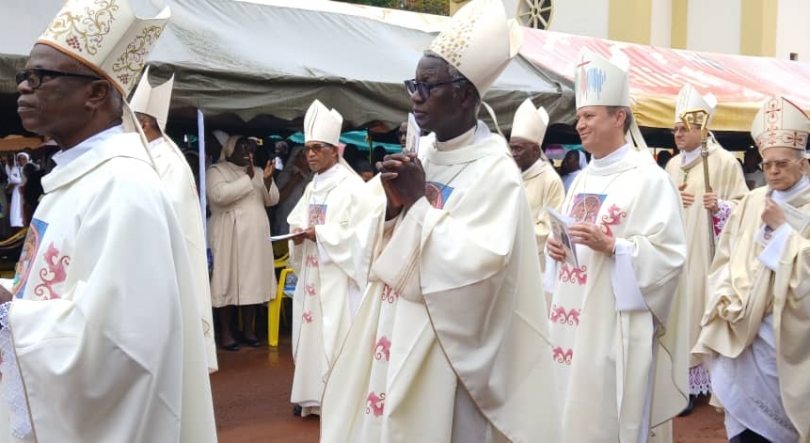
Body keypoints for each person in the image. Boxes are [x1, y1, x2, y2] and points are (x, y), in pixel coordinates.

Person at [321, 0, 561, 440]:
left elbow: (482, 268)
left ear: (466, 94)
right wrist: (392, 209)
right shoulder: (423, 155)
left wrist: (416, 206)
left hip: (446, 350)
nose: (415, 95)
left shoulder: (496, 172)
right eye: (414, 83)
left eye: (429, 86)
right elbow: (368, 242)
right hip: (394, 328)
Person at [1, 0, 217, 441]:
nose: (23, 88)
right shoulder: (73, 176)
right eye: (23, 76)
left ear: (96, 94)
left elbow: (124, 343)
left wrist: (10, 315)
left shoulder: (124, 187)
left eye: (40, 77)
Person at [545, 48, 688, 442]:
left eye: (589, 116)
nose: (579, 125)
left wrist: (615, 248)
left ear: (618, 117)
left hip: (613, 327)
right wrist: (555, 253)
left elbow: (670, 257)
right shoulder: (582, 180)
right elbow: (569, 242)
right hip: (569, 324)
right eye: (579, 117)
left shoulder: (649, 179)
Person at [693, 96, 810, 443]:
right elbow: (726, 257)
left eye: (781, 164)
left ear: (803, 165)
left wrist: (785, 233)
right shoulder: (754, 201)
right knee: (742, 431)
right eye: (767, 164)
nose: (772, 171)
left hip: (787, 338)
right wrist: (726, 295)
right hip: (743, 333)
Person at [286, 99, 385, 418]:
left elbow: (364, 234)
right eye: (308, 149)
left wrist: (323, 235)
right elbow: (297, 218)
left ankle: (337, 398)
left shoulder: (354, 188)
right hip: (315, 273)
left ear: (335, 150)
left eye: (318, 148)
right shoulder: (313, 186)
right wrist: (299, 233)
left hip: (339, 278)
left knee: (335, 334)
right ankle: (312, 396)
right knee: (311, 333)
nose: (311, 154)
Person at [664, 84, 748, 412]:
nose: (678, 134)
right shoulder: (671, 167)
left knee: (698, 311)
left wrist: (722, 206)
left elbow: (745, 208)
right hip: (675, 255)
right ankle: (677, 383)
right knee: (675, 315)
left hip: (705, 257)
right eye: (674, 129)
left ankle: (699, 387)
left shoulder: (723, 163)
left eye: (684, 129)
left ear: (703, 128)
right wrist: (672, 199)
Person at [131, 67, 218, 372]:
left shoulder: (169, 160)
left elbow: (166, 212)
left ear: (144, 123)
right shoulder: (148, 154)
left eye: (129, 124)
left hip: (164, 260)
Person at [207, 136, 278, 350]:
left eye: (251, 147)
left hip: (253, 239)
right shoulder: (216, 171)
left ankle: (248, 330)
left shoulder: (257, 171)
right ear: (229, 149)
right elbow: (219, 196)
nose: (247, 151)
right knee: (225, 280)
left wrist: (265, 181)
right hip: (228, 235)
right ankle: (227, 334)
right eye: (242, 146)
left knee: (251, 282)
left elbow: (272, 199)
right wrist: (248, 178)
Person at [508, 98, 564, 273]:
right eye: (511, 148)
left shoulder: (550, 180)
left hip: (534, 263)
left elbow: (550, 229)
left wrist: (509, 231)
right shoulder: (509, 173)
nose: (513, 153)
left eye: (518, 149)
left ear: (534, 150)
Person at [272, 145, 312, 237]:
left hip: (306, 221)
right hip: (286, 218)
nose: (307, 159)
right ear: (295, 158)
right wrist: (293, 181)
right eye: (303, 157)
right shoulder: (285, 175)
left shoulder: (313, 177)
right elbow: (278, 199)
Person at [6, 152, 29, 230]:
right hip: (17, 192)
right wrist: (22, 180)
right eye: (20, 159)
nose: (21, 161)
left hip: (26, 190)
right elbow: (12, 179)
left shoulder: (30, 167)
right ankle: (17, 225)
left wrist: (18, 179)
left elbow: (28, 180)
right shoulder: (16, 168)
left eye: (23, 159)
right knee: (17, 209)